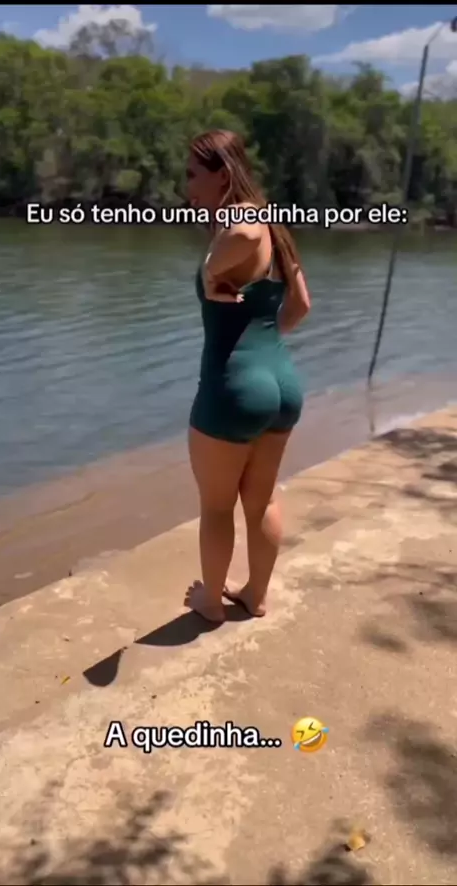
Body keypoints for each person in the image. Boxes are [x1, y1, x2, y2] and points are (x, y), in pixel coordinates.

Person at [184, 129, 311, 624]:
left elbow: (244, 235)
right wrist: (264, 345)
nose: (187, 186)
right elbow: (301, 305)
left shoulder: (245, 224)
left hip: (234, 387)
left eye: (193, 174)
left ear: (222, 175)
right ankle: (255, 595)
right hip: (280, 378)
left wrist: (210, 272)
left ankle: (211, 603)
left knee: (217, 507)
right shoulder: (277, 228)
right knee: (262, 500)